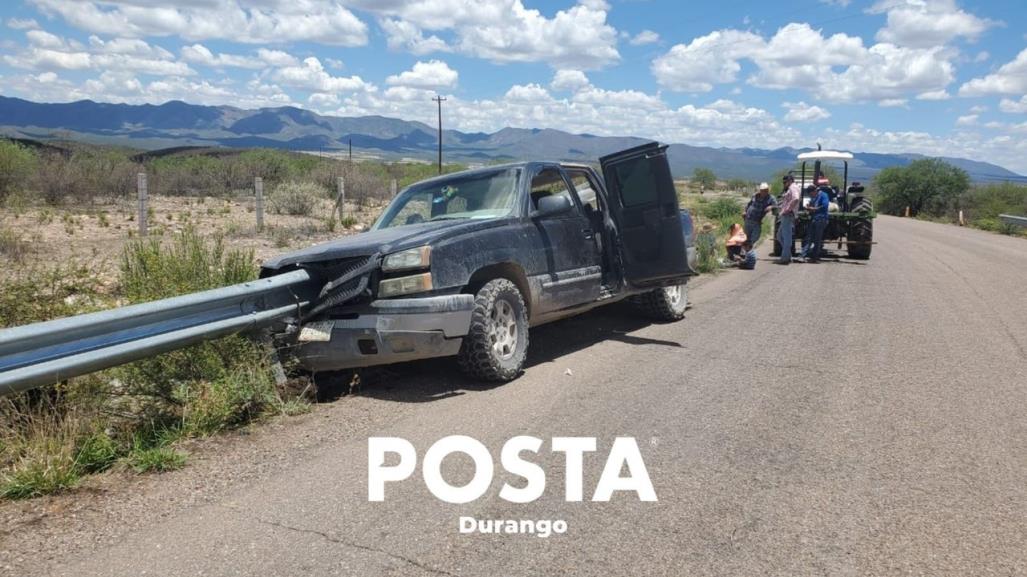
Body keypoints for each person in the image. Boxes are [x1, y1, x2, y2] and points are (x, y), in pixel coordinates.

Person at [775, 174, 800, 264]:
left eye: (785, 182)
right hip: (787, 215)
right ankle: (787, 255)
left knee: (786, 237)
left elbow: (796, 199)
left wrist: (787, 209)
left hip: (788, 214)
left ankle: (785, 258)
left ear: (789, 181)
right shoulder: (792, 187)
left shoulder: (792, 188)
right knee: (779, 236)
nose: (784, 183)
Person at [805, 179, 831, 262]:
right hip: (815, 218)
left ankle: (815, 257)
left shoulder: (824, 195)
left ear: (814, 191)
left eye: (810, 194)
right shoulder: (815, 197)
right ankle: (804, 255)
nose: (811, 196)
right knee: (809, 237)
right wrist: (809, 206)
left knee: (817, 238)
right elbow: (812, 203)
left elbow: (825, 206)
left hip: (821, 219)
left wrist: (814, 209)